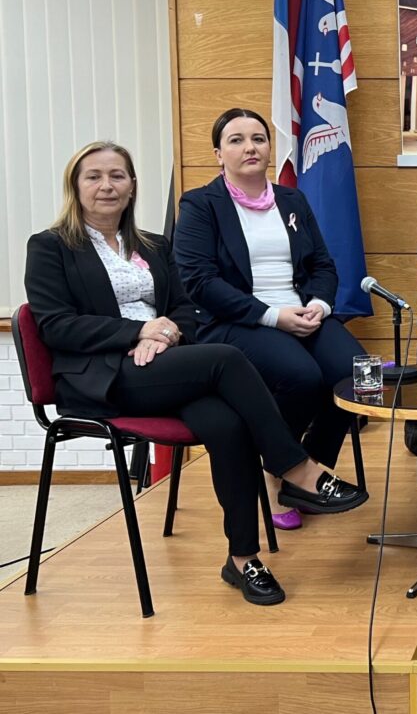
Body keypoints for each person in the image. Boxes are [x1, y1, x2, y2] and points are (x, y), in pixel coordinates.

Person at [25, 142, 367, 606]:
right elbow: (56, 324)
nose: (107, 185)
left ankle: (243, 559)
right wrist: (138, 330)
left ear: (131, 187)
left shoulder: (152, 245)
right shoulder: (50, 247)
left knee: (228, 426)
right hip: (102, 376)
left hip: (164, 364)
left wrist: (163, 335)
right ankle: (295, 467)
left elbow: (187, 309)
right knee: (225, 357)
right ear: (75, 185)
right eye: (94, 176)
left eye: (118, 176)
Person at [173, 108, 369, 531]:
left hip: (301, 310)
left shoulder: (291, 199)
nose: (250, 147)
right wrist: (271, 316)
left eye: (259, 138)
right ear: (217, 153)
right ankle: (278, 465)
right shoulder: (200, 205)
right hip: (236, 320)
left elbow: (323, 265)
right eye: (237, 140)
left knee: (355, 377)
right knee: (301, 376)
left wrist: (320, 304)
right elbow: (200, 282)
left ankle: (306, 473)